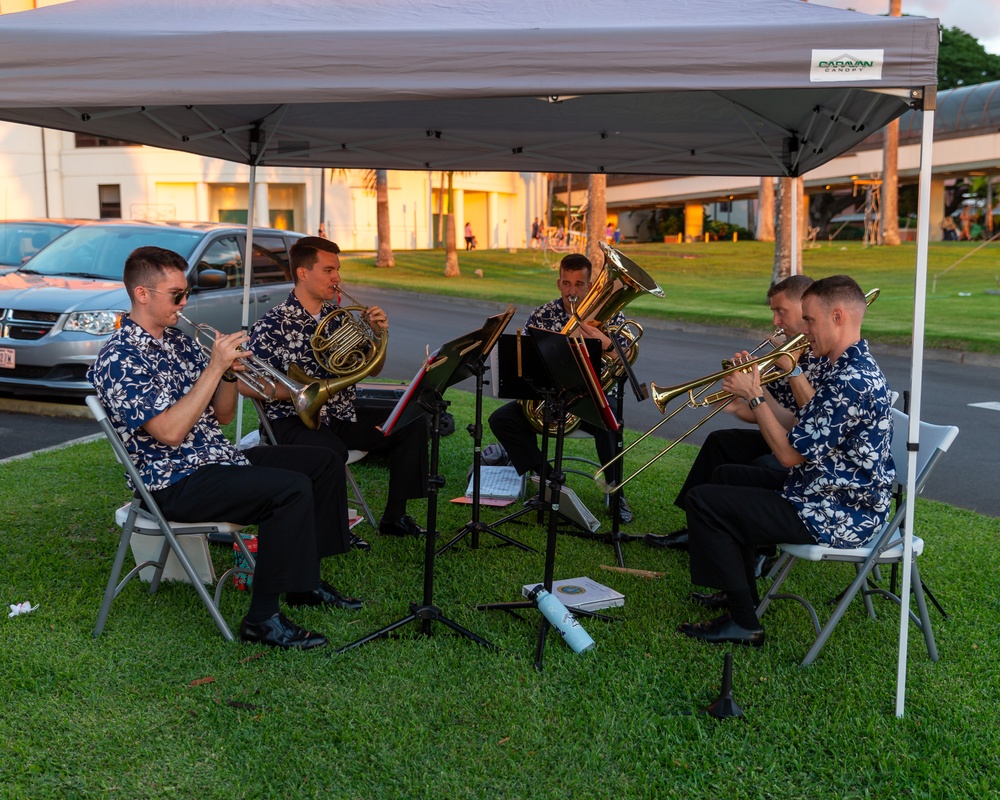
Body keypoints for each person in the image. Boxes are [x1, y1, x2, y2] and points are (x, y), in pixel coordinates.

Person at [87, 246, 362, 651]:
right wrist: (214, 368)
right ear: (142, 294)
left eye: (186, 294)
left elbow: (225, 416)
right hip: (173, 480)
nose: (184, 303)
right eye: (176, 295)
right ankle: (262, 619)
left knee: (323, 461)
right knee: (289, 489)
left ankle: (304, 583)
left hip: (217, 460)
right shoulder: (119, 358)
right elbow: (170, 433)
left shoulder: (180, 344)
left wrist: (229, 376)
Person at [677, 275, 895, 647]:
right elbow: (803, 427)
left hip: (838, 512)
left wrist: (755, 397)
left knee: (706, 501)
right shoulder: (844, 367)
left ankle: (744, 623)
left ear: (838, 316)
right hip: (821, 492)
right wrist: (762, 388)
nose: (804, 330)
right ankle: (739, 596)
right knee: (725, 476)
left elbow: (788, 455)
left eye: (809, 320)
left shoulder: (852, 380)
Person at [245, 237, 429, 541]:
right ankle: (333, 528)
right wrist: (299, 392)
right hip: (291, 419)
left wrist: (378, 335)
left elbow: (370, 367)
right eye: (329, 270)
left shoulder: (337, 319)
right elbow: (247, 384)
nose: (337, 278)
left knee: (410, 419)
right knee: (331, 450)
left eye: (338, 270)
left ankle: (395, 516)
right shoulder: (272, 324)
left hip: (341, 412)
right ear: (303, 273)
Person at [648, 275, 818, 552]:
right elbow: (770, 413)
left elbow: (809, 421)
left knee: (760, 466)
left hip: (806, 451)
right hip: (789, 435)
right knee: (720, 442)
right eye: (773, 312)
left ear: (805, 307)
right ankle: (696, 526)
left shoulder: (821, 353)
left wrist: (762, 391)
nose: (775, 321)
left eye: (780, 311)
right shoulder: (786, 349)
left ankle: (759, 549)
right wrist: (740, 402)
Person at [488, 252, 634, 525]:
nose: (572, 291)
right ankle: (548, 481)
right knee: (502, 420)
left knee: (610, 424)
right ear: (558, 284)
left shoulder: (611, 317)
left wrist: (608, 345)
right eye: (567, 284)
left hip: (593, 397)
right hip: (550, 398)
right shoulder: (543, 315)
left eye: (579, 284)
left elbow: (626, 367)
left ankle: (617, 495)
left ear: (590, 286)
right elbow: (526, 362)